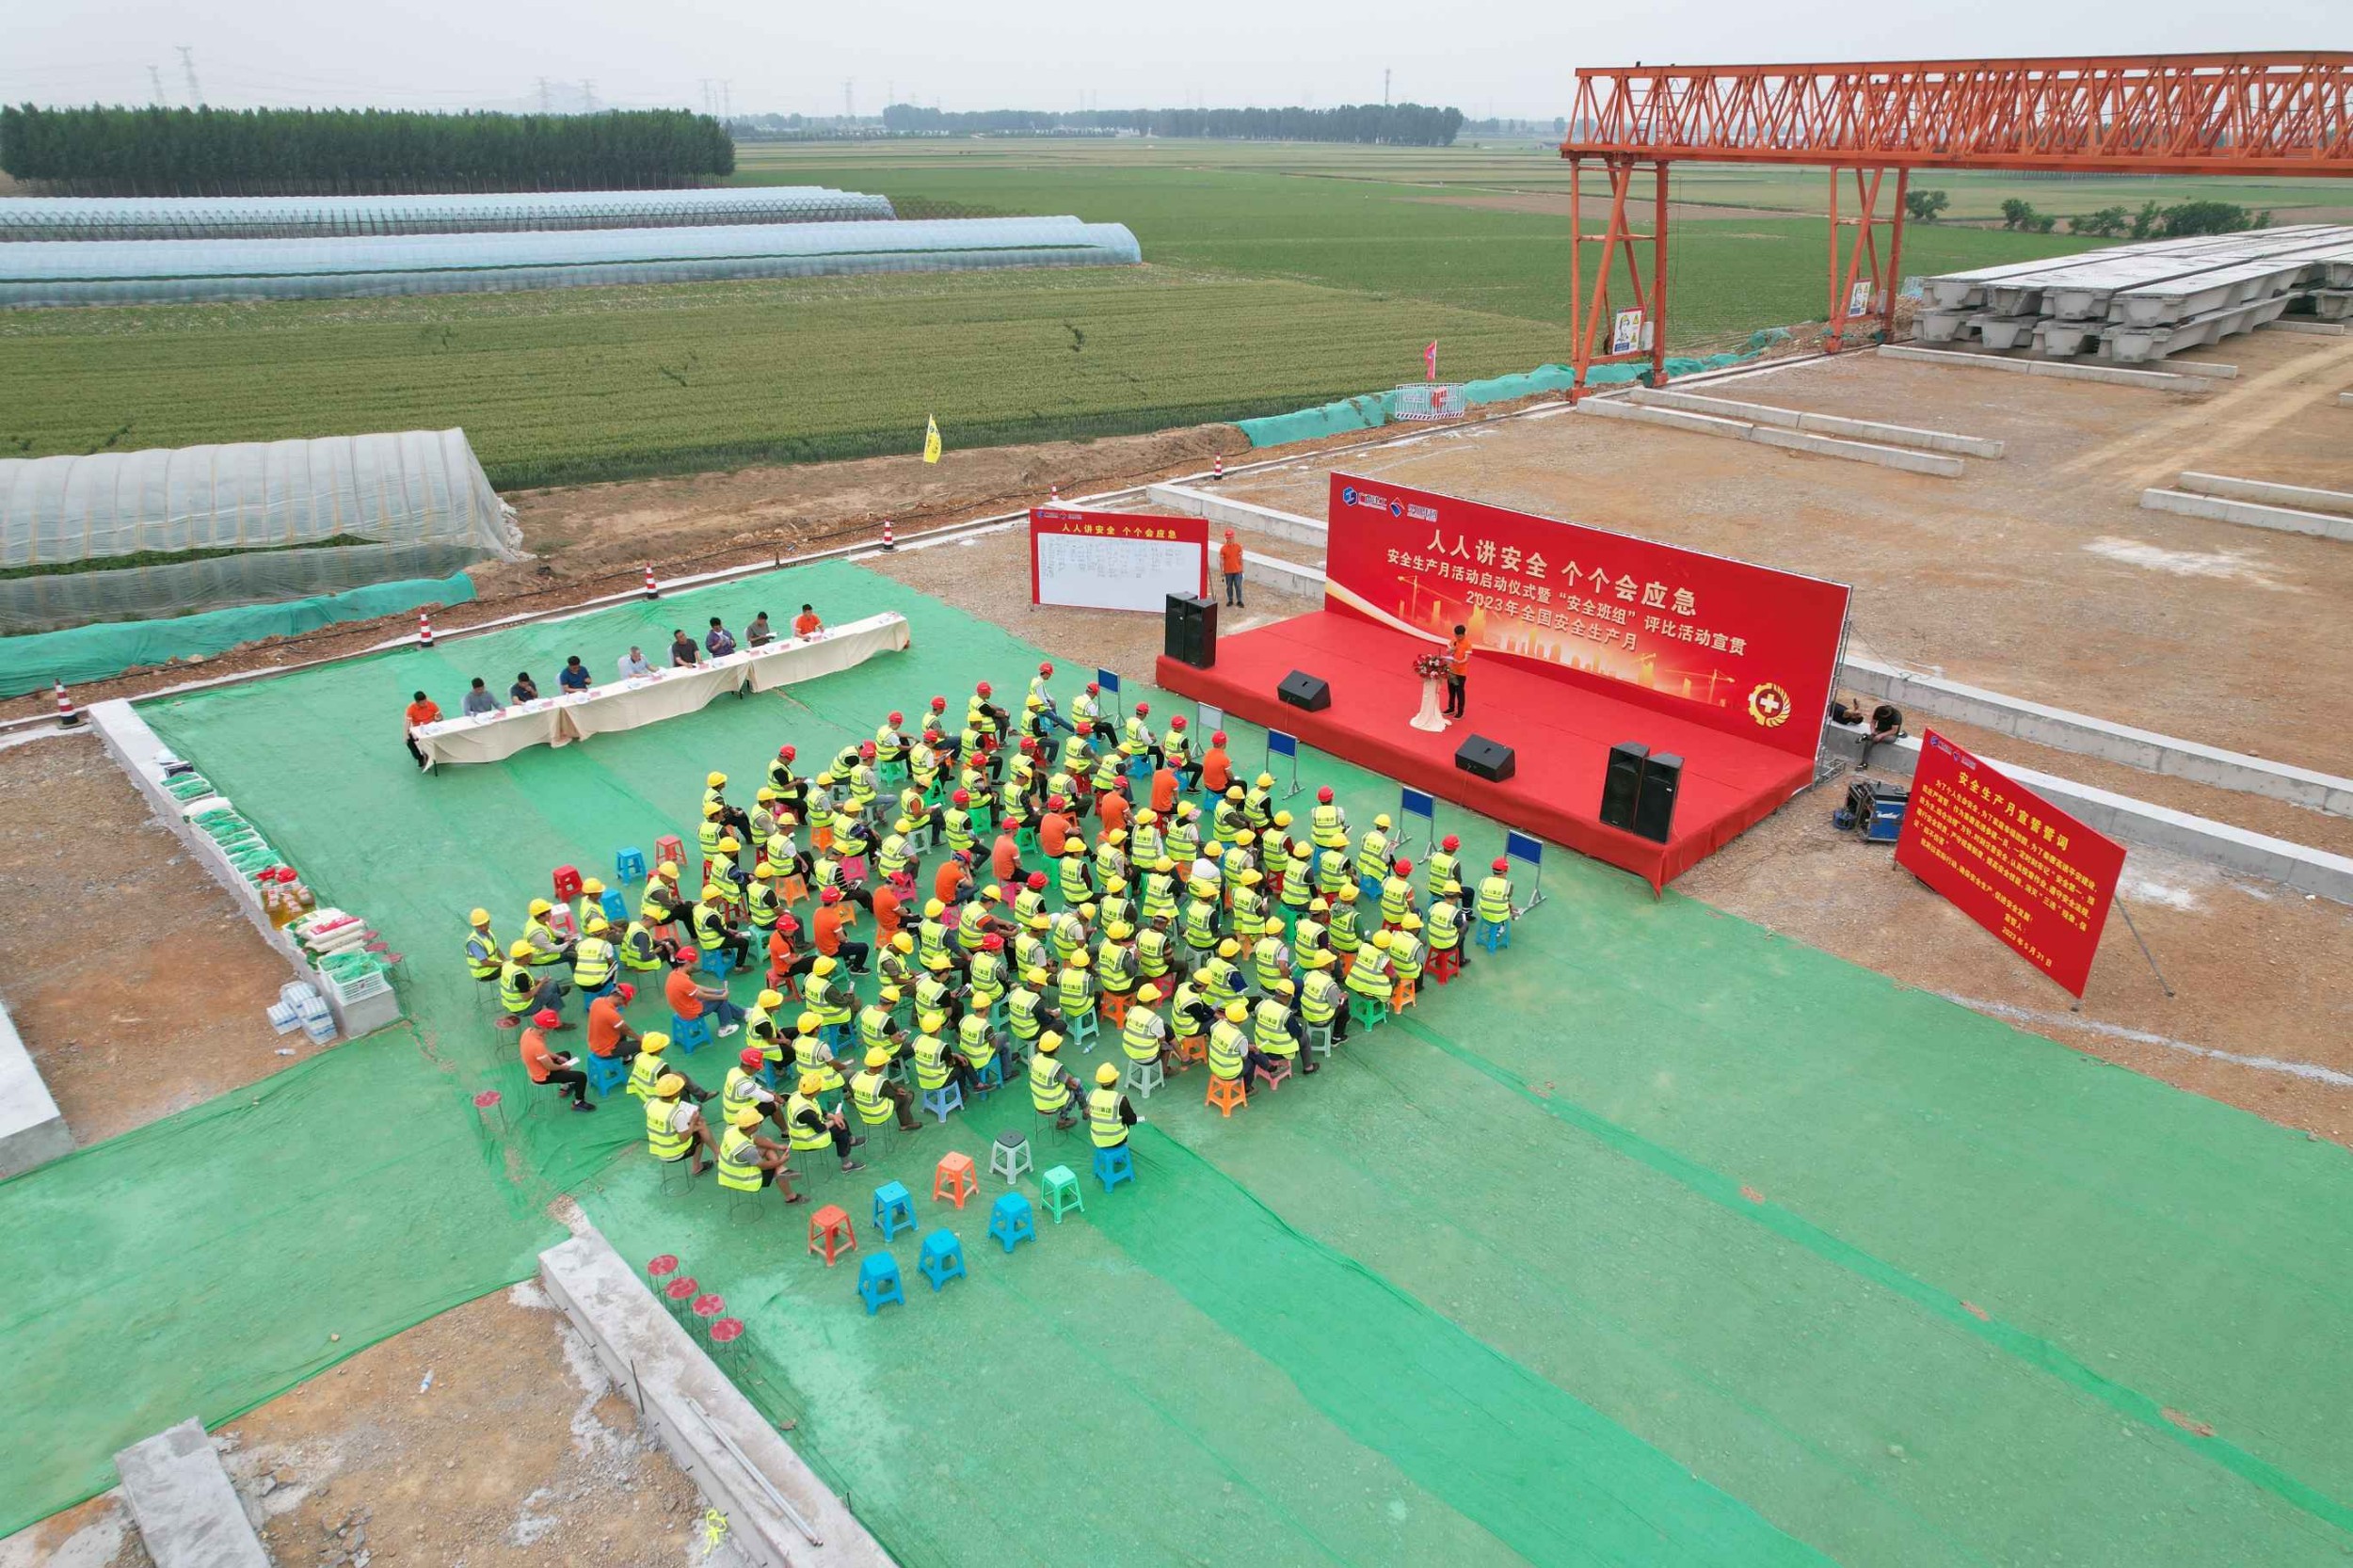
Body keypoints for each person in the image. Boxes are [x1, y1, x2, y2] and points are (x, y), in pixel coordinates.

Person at [716, 1106, 804, 1205]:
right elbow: (763, 1166)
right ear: (753, 1126)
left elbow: (756, 1139)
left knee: (768, 1142)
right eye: (758, 1122)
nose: (760, 1123)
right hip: (739, 1176)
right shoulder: (748, 1150)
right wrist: (781, 1161)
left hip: (728, 1167)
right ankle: (790, 1195)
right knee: (775, 1166)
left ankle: (781, 1170)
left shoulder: (733, 1129)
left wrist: (777, 1146)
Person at [784, 1071, 865, 1174]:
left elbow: (818, 1110)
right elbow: (820, 1128)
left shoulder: (798, 1095)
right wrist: (835, 1120)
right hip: (807, 1140)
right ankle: (846, 1165)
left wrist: (834, 1117)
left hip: (804, 1133)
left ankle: (851, 1140)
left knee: (840, 1121)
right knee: (841, 1129)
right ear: (816, 1091)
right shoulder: (805, 1112)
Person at [522, 1009, 597, 1111]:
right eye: (551, 1027)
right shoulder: (537, 1045)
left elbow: (543, 1052)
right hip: (542, 1076)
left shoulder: (529, 1032)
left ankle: (566, 1087)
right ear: (544, 1027)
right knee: (581, 1076)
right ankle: (578, 1102)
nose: (552, 1029)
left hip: (537, 1066)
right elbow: (550, 1067)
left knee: (565, 1055)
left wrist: (557, 1057)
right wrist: (563, 1067)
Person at [645, 1073, 716, 1176]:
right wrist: (692, 1121)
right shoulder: (677, 1114)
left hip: (658, 1148)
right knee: (700, 1129)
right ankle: (698, 1166)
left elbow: (664, 1118)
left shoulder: (650, 1103)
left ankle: (717, 1152)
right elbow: (684, 1139)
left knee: (698, 1124)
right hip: (674, 1152)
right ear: (677, 1093)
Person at [667, 952, 744, 1035]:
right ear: (687, 963)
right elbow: (704, 996)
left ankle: (742, 1014)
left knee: (720, 995)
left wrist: (716, 991)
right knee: (721, 1000)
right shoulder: (684, 982)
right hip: (691, 1012)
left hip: (683, 1008)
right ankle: (725, 1028)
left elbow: (695, 987)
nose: (694, 967)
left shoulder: (674, 974)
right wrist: (722, 997)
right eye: (693, 964)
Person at [1028, 1032, 1084, 1130]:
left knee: (1072, 1085)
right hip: (1051, 1104)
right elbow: (1072, 1084)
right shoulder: (1056, 1067)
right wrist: (1069, 1078)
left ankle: (1085, 1109)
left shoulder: (1035, 1059)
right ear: (1057, 1049)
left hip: (1038, 1101)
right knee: (1077, 1084)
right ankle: (1062, 1121)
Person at [1087, 1062, 1140, 1151]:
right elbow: (1132, 1121)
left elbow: (1088, 1114)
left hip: (1097, 1139)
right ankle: (1121, 1148)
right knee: (1125, 1119)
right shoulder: (1120, 1100)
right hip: (1117, 1141)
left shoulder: (1092, 1094)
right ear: (1115, 1081)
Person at [587, 983, 640, 1064]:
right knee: (643, 1045)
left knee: (621, 1033)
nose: (622, 1005)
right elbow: (627, 1030)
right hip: (606, 1050)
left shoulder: (597, 1001)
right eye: (623, 1002)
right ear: (620, 998)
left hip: (595, 1044)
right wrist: (640, 1039)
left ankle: (627, 1058)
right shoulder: (611, 1014)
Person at [404, 690, 441, 770]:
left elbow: (440, 717)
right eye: (422, 703)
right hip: (419, 729)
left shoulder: (432, 704)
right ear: (417, 702)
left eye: (425, 701)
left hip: (432, 727)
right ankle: (420, 758)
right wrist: (405, 734)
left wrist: (439, 719)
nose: (425, 704)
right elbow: (407, 723)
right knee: (409, 741)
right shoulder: (411, 708)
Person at [1444, 623, 1471, 718]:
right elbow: (1447, 652)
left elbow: (1466, 659)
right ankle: (1451, 708)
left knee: (1459, 692)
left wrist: (1459, 661)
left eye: (1459, 636)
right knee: (1451, 691)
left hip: (1461, 672)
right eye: (1456, 636)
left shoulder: (1467, 644)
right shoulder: (1454, 640)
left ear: (1463, 634)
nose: (1457, 638)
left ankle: (1460, 711)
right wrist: (1452, 649)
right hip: (1451, 670)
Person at [1219, 528, 1245, 607]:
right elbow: (1221, 561)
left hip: (1237, 571)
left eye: (1231, 537)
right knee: (1229, 586)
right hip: (1228, 571)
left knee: (1238, 585)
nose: (1230, 539)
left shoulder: (1238, 547)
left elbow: (1241, 558)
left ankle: (1239, 600)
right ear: (1226, 538)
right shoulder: (1223, 549)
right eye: (1228, 538)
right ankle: (1230, 600)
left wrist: (1242, 569)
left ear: (1233, 537)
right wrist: (1222, 571)